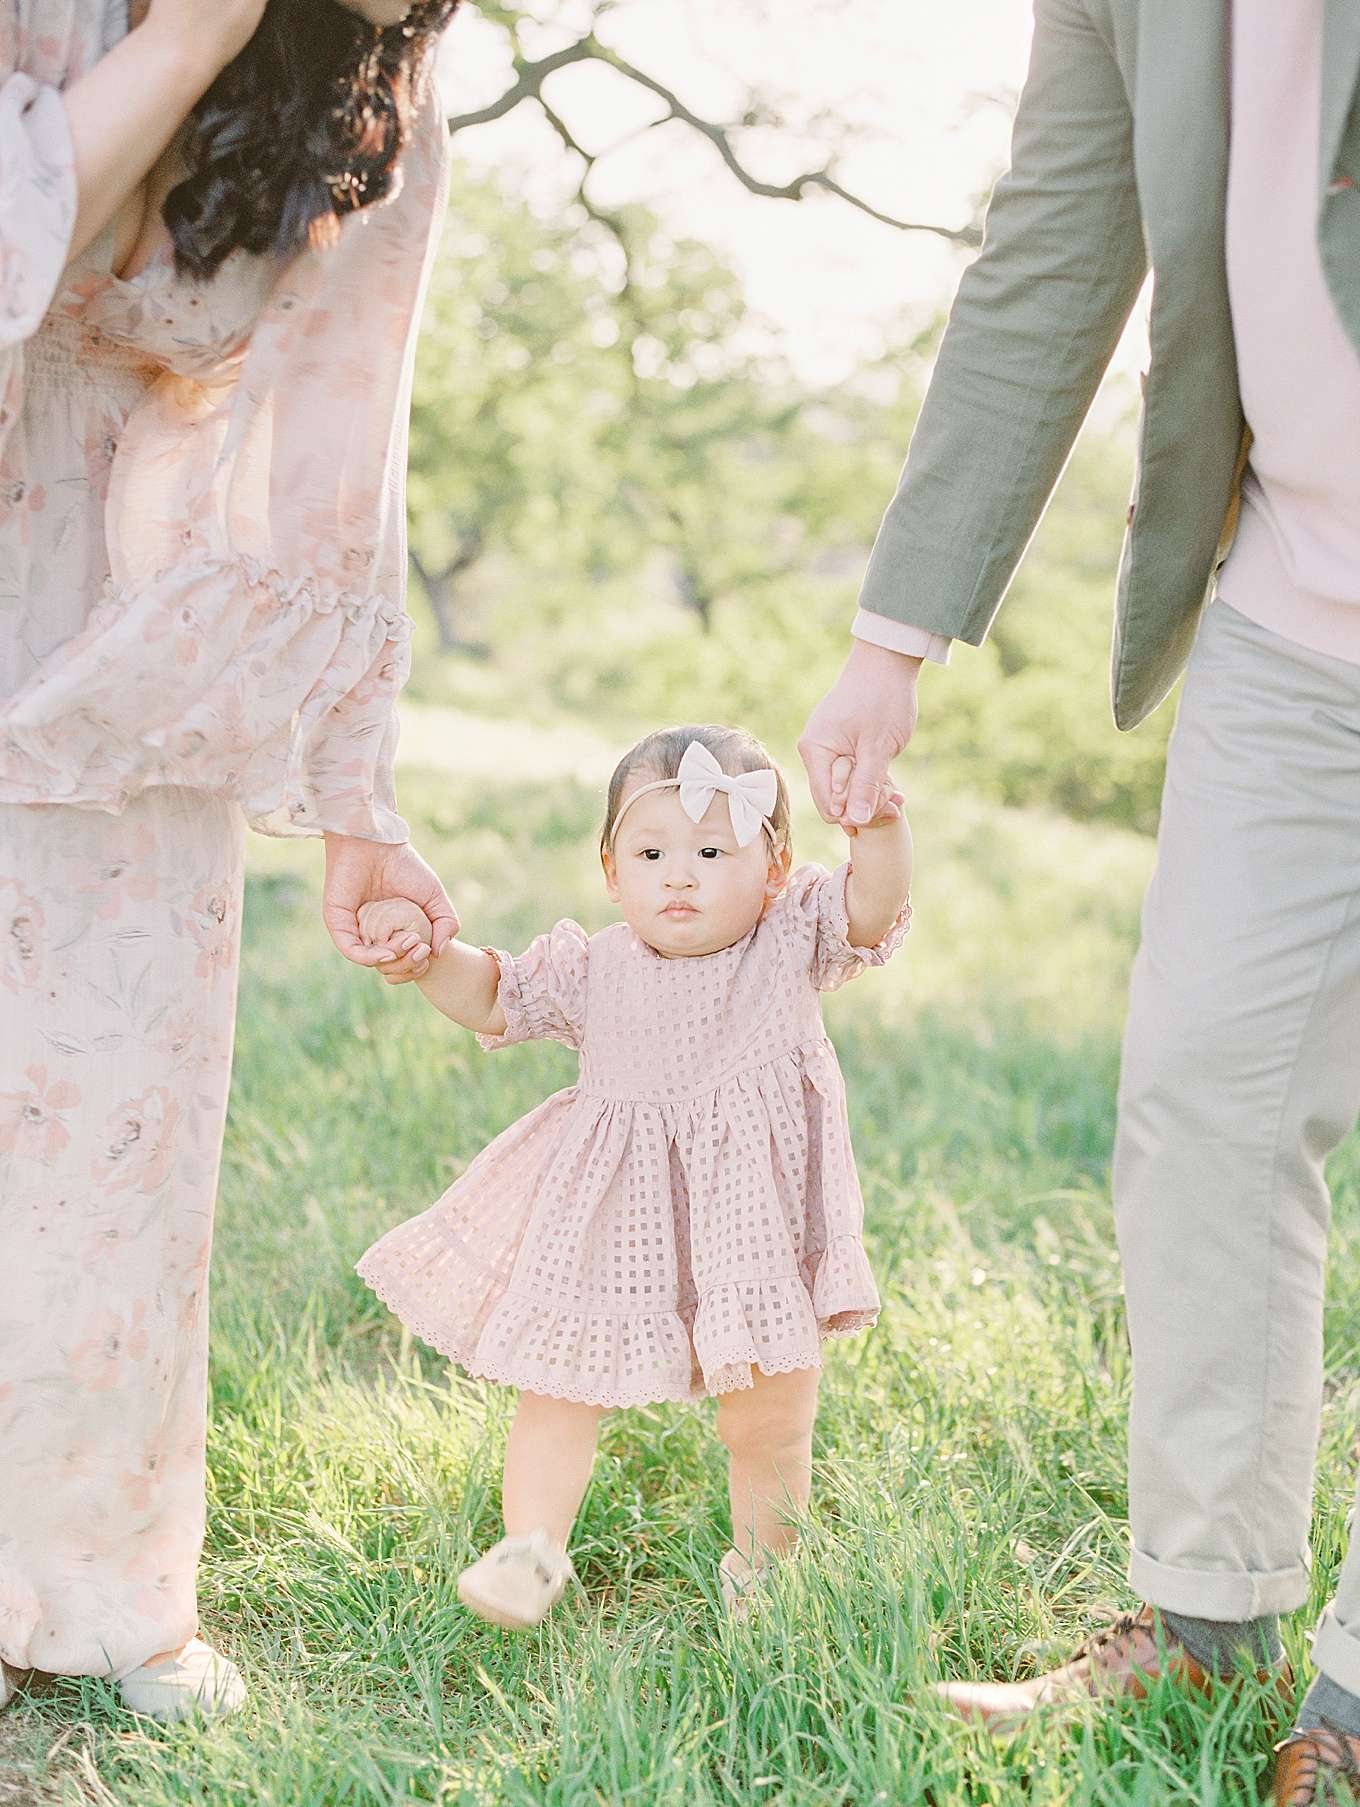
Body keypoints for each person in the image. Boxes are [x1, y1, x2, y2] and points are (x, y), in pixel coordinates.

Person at [797, 0, 1360, 1795]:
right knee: (1205, 1089)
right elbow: (1055, 239)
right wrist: (897, 636)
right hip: (1294, 602)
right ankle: (1206, 1618)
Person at [0, 0, 460, 1721]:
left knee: (108, 1129)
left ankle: (92, 1583)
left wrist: (359, 797)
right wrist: (188, 34)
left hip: (126, 652)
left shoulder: (369, 62)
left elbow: (345, 438)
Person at [352, 725, 912, 1629]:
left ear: (774, 870)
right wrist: (424, 958)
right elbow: (494, 994)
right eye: (651, 852)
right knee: (561, 1381)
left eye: (710, 850)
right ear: (612, 870)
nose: (678, 875)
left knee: (765, 1414)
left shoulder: (789, 938)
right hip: (617, 1222)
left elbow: (873, 910)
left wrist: (877, 824)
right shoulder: (594, 966)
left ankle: (766, 1569)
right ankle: (529, 1548)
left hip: (753, 1227)